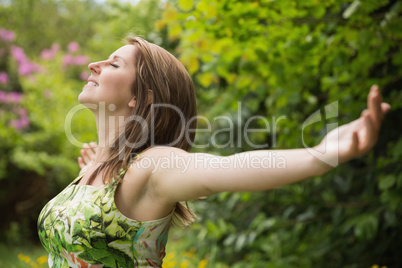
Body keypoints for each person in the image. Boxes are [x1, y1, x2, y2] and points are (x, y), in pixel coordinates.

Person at [37, 36, 390, 268]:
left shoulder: (150, 167)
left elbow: (228, 167)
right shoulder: (100, 168)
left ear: (141, 97)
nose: (93, 65)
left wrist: (318, 155)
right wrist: (93, 172)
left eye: (114, 64)